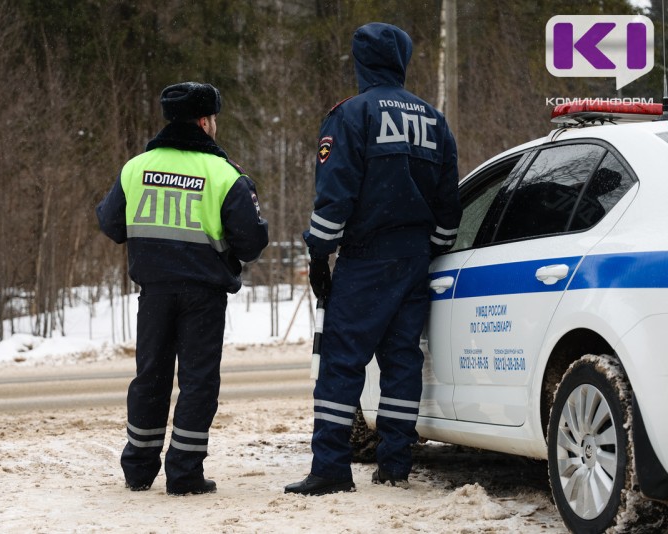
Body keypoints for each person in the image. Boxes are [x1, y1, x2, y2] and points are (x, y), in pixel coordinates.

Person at [285, 23, 462, 496]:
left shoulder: (352, 115)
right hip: (415, 260)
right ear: (401, 60)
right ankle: (395, 465)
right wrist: (433, 248)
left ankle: (330, 469)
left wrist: (320, 255)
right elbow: (449, 203)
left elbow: (335, 194)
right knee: (402, 362)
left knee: (341, 363)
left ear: (361, 62)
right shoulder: (434, 119)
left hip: (366, 259)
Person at [96, 81, 269, 496]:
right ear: (206, 121)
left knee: (150, 377)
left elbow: (111, 224)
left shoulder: (136, 167)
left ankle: (138, 469)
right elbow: (253, 241)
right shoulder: (225, 174)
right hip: (203, 295)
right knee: (198, 382)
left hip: (153, 291)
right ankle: (184, 472)